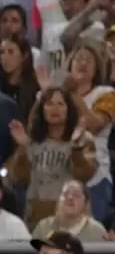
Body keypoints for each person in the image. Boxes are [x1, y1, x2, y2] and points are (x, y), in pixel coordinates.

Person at [6, 86, 97, 225]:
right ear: (41, 109)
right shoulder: (32, 141)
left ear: (69, 109)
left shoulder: (83, 139)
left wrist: (75, 147)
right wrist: (23, 148)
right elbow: (19, 178)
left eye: (60, 104)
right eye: (49, 104)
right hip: (36, 214)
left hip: (71, 213)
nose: (55, 109)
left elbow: (85, 175)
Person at [31, 179, 107, 242]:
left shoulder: (97, 231)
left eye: (76, 195)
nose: (70, 197)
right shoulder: (43, 227)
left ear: (86, 204)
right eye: (65, 194)